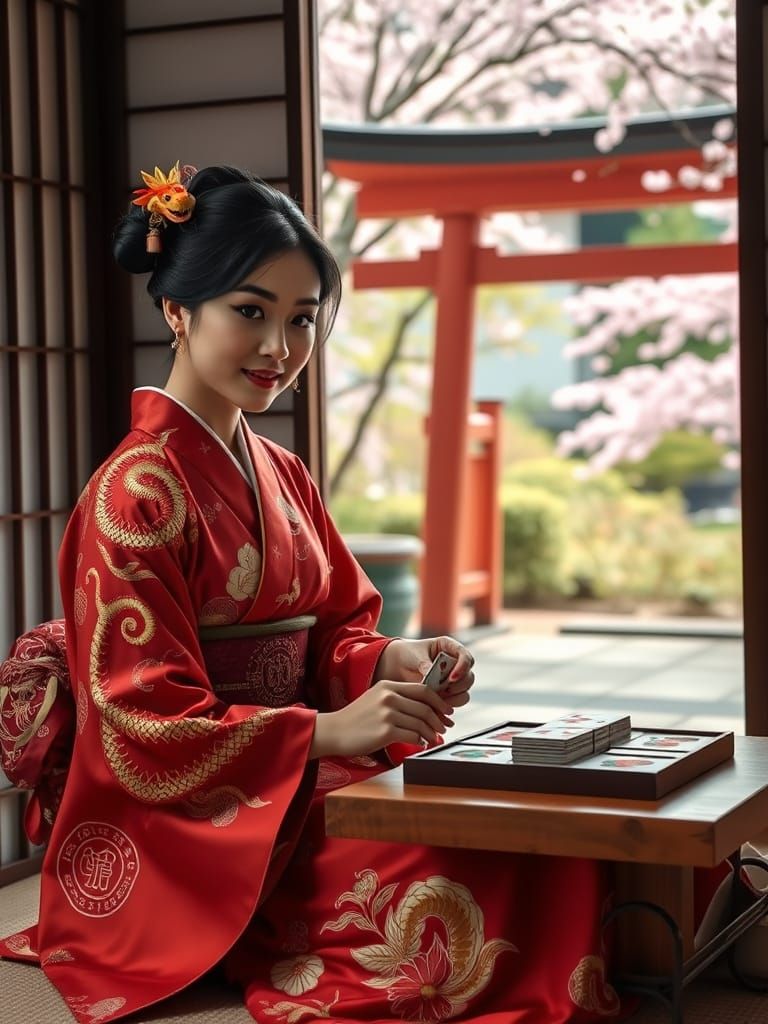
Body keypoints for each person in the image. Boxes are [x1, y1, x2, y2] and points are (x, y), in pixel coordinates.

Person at [0, 164, 620, 1024]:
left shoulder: (281, 470)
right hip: (201, 825)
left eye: (301, 320)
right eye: (249, 312)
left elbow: (334, 628)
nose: (280, 348)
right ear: (178, 310)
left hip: (303, 773)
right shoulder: (132, 495)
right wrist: (325, 731)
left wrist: (390, 660)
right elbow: (142, 721)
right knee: (459, 873)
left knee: (518, 824)